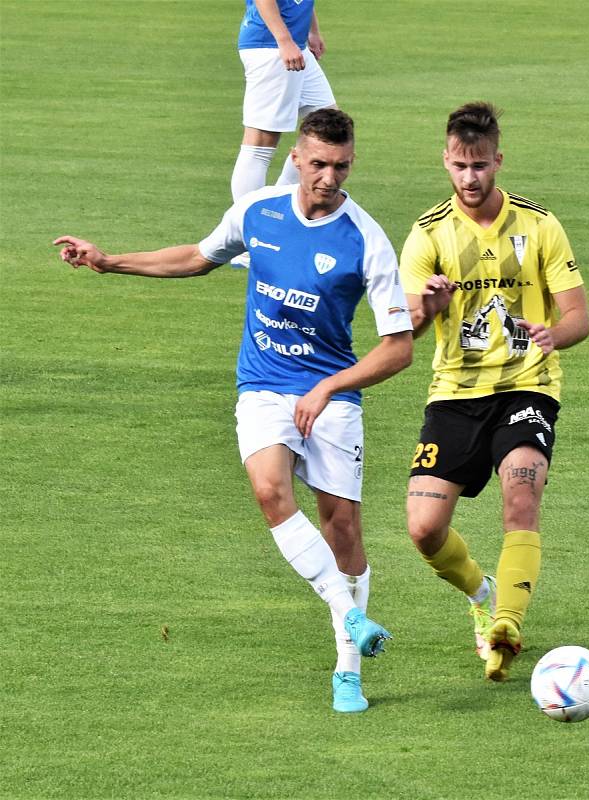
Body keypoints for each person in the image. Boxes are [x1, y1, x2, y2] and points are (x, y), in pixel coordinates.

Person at [54, 108, 413, 712]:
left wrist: (327, 389)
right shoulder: (259, 212)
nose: (329, 177)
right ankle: (350, 617)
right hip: (265, 384)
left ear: (353, 163)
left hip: (330, 394)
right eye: (319, 163)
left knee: (343, 528)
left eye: (341, 166)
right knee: (271, 492)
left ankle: (346, 673)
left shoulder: (365, 239)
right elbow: (198, 256)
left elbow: (398, 347)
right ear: (296, 157)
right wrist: (109, 260)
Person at [399, 101, 589, 682]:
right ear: (446, 162)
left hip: (527, 386)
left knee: (521, 494)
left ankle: (507, 623)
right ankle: (483, 594)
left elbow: (579, 317)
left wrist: (553, 333)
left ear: (497, 161)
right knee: (424, 530)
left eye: (480, 165)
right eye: (460, 166)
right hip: (454, 394)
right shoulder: (427, 234)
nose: (470, 178)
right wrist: (427, 307)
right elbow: (401, 330)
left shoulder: (540, 226)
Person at [231, 0, 337, 267]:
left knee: (327, 127)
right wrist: (284, 40)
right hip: (270, 47)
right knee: (260, 145)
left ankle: (277, 207)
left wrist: (312, 30)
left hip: (295, 43)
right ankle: (249, 238)